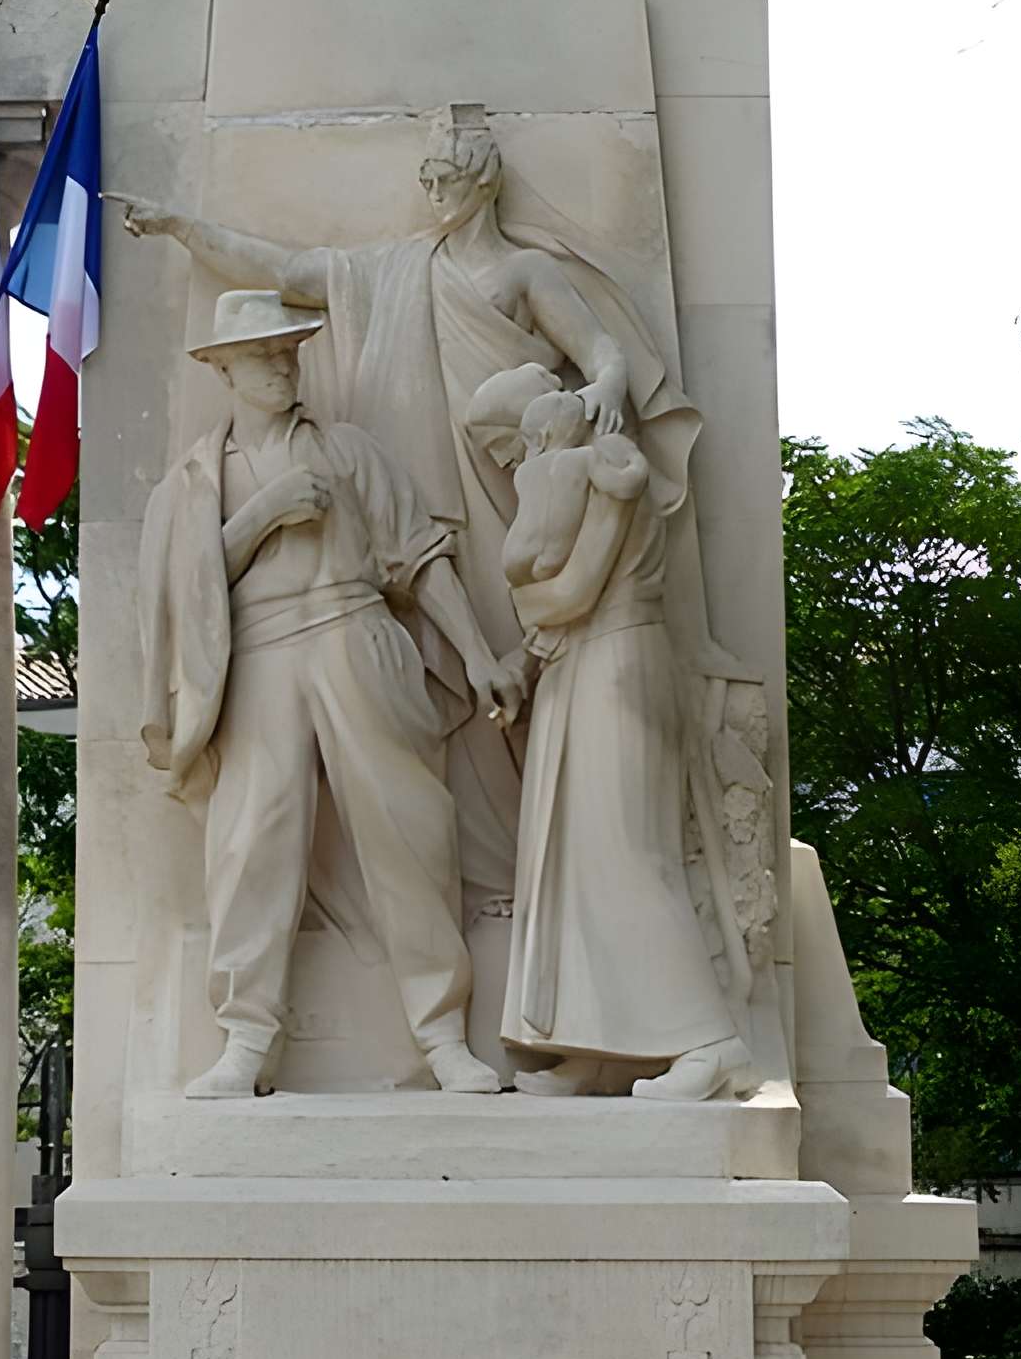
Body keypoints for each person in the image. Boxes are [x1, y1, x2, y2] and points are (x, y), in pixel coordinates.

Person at [119, 105, 698, 908]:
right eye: (426, 177)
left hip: (509, 496)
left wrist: (604, 384)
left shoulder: (524, 273)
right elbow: (287, 270)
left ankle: (551, 872)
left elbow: (600, 348)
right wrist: (185, 228)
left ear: (484, 181)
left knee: (522, 671)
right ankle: (490, 878)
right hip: (408, 499)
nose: (433, 191)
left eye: (446, 176)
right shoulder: (391, 269)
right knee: (451, 697)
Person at [140, 291, 526, 1098]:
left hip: (356, 632)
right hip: (259, 655)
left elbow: (419, 558)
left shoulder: (348, 450)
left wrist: (478, 655)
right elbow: (184, 588)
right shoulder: (194, 481)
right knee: (251, 841)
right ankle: (247, 1039)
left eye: (289, 351)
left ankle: (442, 1033)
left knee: (408, 827)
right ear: (223, 369)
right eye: (263, 355)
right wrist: (262, 515)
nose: (283, 366)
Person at [467, 365, 755, 1102]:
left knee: (626, 854)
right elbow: (560, 609)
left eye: (503, 446)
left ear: (534, 427)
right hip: (583, 666)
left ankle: (711, 1042)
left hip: (618, 665)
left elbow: (572, 592)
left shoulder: (599, 473)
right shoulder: (582, 474)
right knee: (574, 863)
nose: (504, 464)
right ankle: (602, 1047)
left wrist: (526, 604)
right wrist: (525, 656)